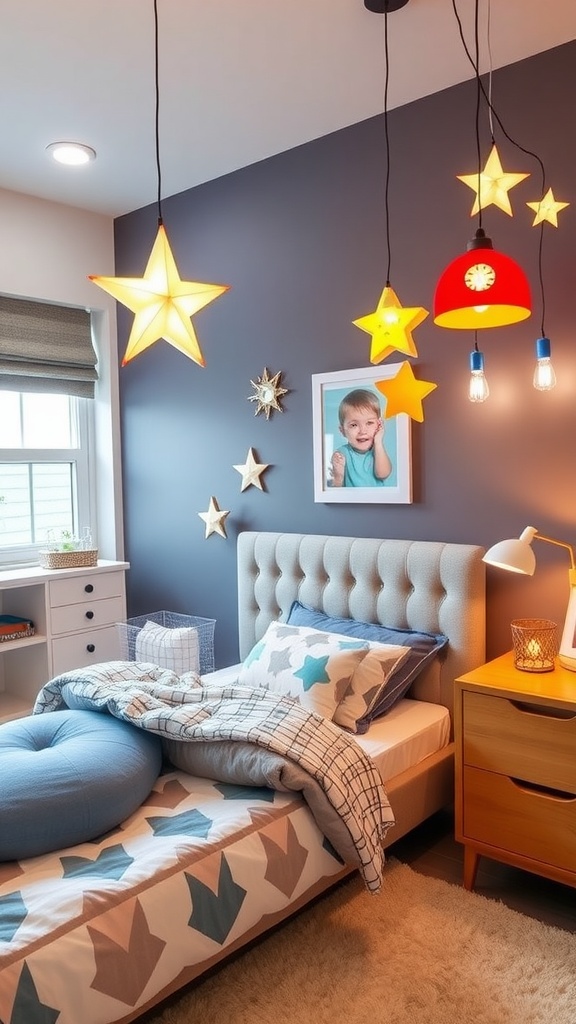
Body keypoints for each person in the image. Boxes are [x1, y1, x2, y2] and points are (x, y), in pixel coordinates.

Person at [330, 388, 392, 487]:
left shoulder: (378, 451)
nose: (363, 431)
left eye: (369, 423)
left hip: (378, 502)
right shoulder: (341, 454)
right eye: (354, 425)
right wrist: (338, 477)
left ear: (379, 425)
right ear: (342, 431)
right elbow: (335, 492)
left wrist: (378, 441)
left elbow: (383, 474)